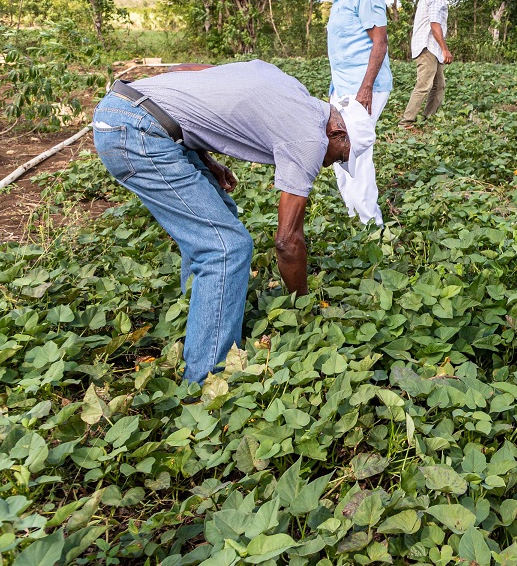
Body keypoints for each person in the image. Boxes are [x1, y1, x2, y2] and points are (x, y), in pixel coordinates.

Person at [91, 60, 376, 383]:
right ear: (337, 133)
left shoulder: (290, 87)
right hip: (137, 134)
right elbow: (286, 242)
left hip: (129, 108)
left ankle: (199, 309)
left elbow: (189, 71)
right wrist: (303, 305)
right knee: (226, 248)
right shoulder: (310, 138)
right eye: (340, 156)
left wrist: (202, 158)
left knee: (220, 217)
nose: (331, 164)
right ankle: (205, 380)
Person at [316, 0, 392, 225]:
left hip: (364, 88)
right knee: (338, 150)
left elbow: (379, 42)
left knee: (356, 153)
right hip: (343, 88)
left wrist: (365, 88)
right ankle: (353, 216)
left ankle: (370, 223)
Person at [400, 0, 455, 127]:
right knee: (424, 85)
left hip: (433, 49)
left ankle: (428, 118)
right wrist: (445, 49)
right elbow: (435, 25)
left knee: (439, 84)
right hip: (428, 48)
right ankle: (406, 122)